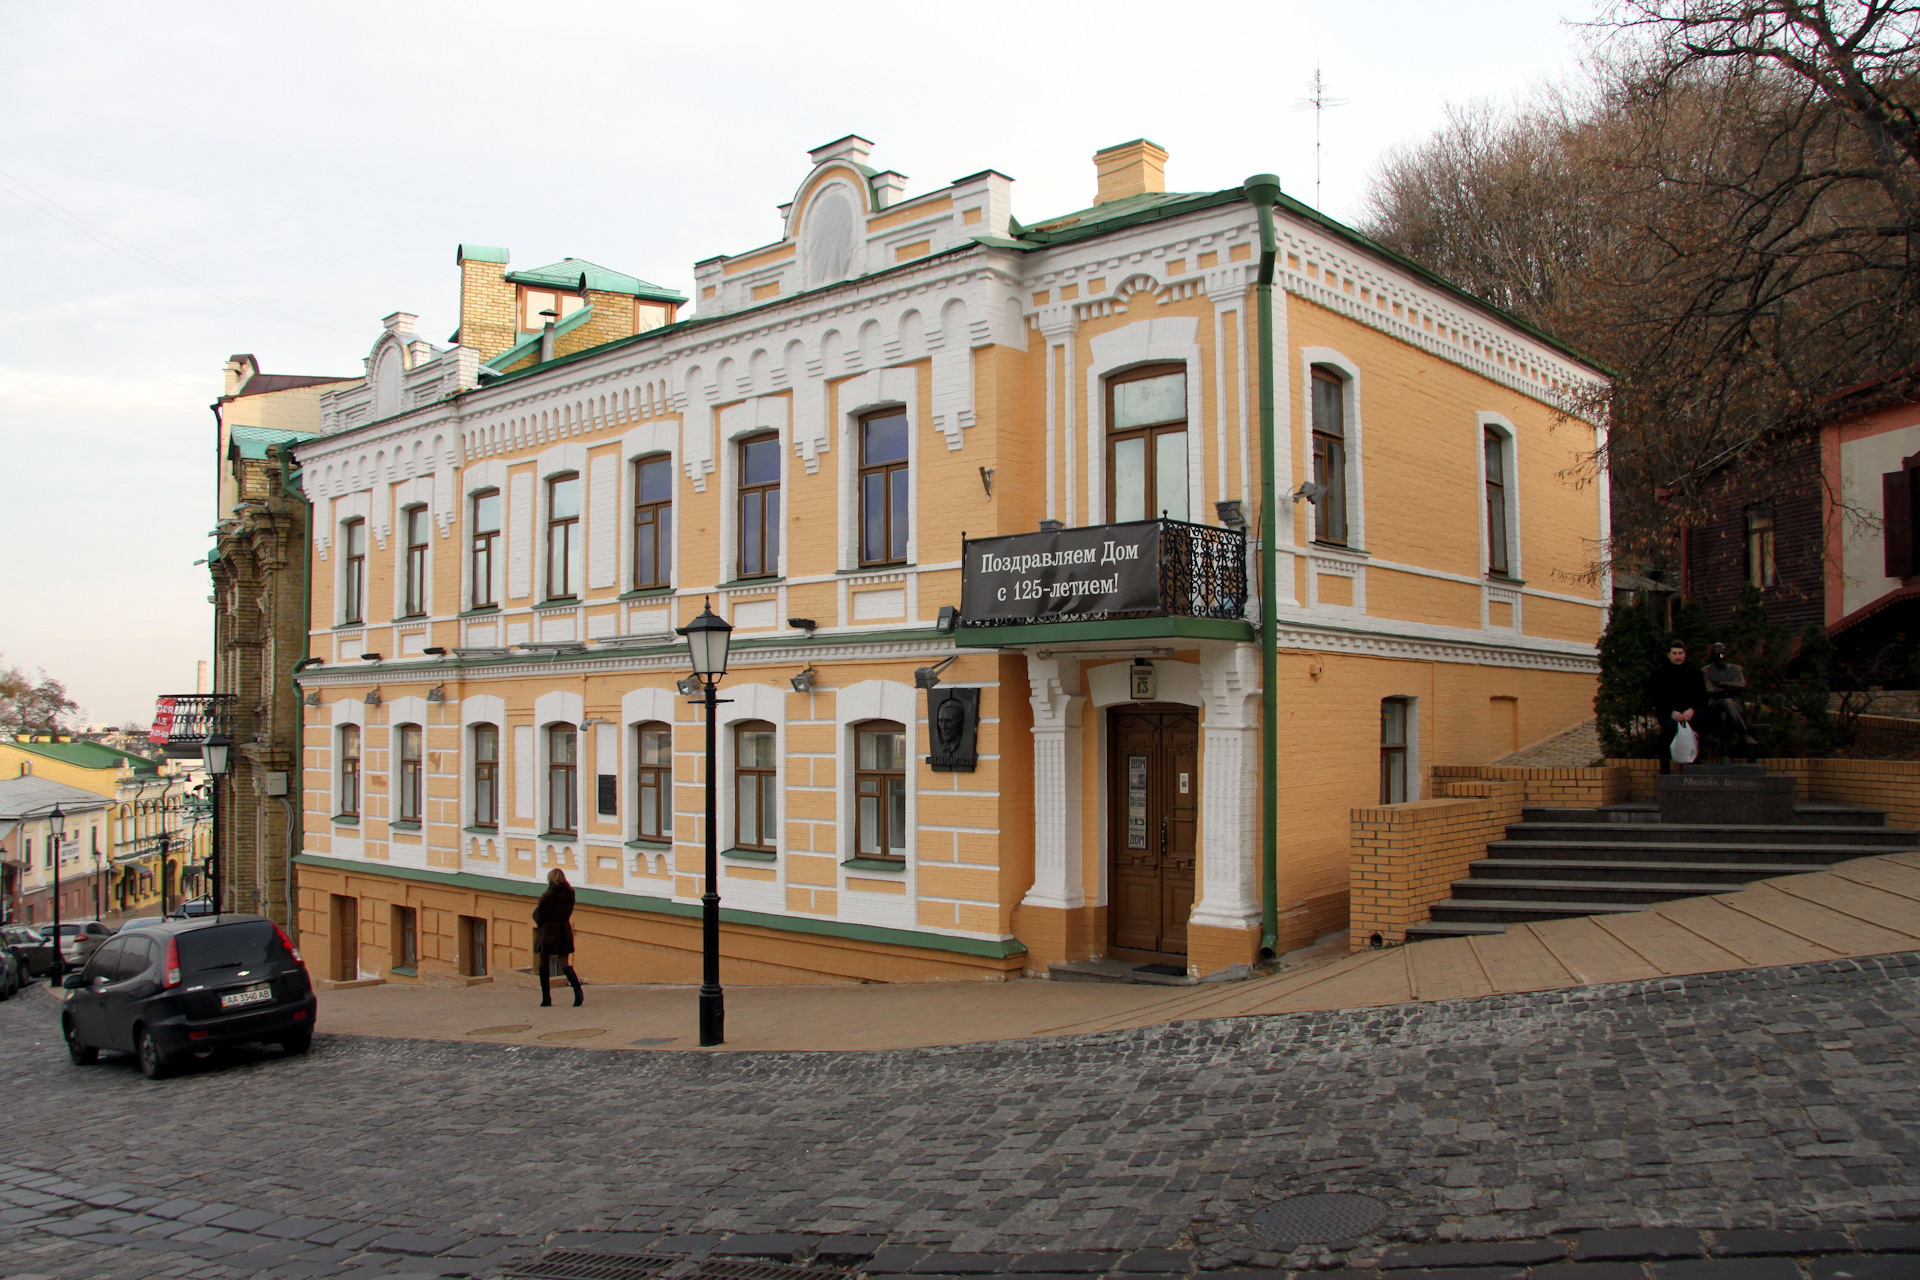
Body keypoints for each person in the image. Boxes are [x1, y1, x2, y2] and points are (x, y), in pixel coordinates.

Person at [1648, 638, 1707, 773]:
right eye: (1674, 653)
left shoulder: (1695, 673)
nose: (1677, 657)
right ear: (1669, 654)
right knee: (1668, 730)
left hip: (1691, 713)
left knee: (1701, 725)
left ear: (1685, 654)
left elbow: (1702, 695)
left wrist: (1692, 709)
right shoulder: (1659, 674)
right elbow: (1655, 697)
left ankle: (1695, 764)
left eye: (1680, 653)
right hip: (1669, 713)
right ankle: (1665, 769)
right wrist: (1671, 712)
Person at [531, 868, 582, 1007]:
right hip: (564, 930)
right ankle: (578, 991)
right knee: (564, 963)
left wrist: (540, 920)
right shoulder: (570, 892)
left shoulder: (549, 895)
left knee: (543, 963)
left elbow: (539, 914)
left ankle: (546, 997)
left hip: (548, 931)